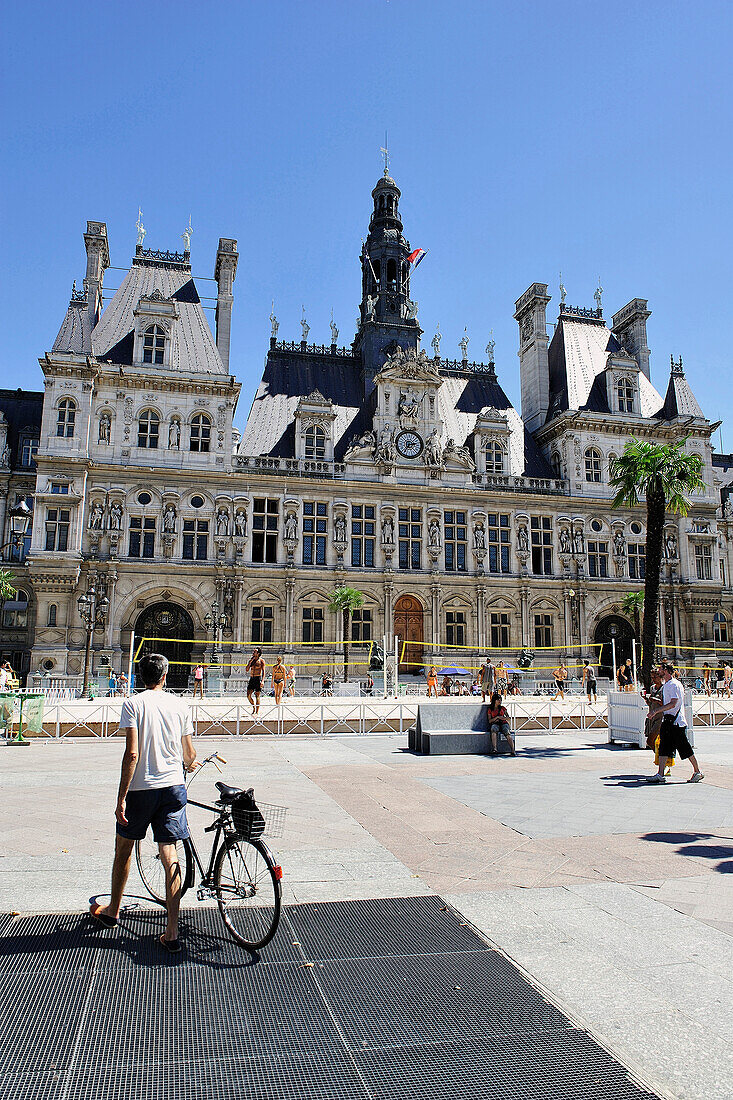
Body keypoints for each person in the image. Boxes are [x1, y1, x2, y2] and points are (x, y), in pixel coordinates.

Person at [89, 653, 198, 953]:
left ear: (139, 676)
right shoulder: (179, 705)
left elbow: (132, 754)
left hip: (141, 788)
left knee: (123, 848)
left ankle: (112, 911)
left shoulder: (133, 704)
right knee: (170, 854)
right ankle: (172, 930)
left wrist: (121, 796)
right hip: (173, 786)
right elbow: (189, 754)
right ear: (165, 676)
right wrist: (188, 764)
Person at [646, 660, 704, 784]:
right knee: (663, 747)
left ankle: (697, 771)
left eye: (660, 669)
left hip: (676, 722)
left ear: (665, 671)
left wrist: (655, 711)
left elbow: (673, 703)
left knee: (685, 748)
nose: (658, 671)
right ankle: (660, 774)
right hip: (668, 720)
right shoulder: (667, 684)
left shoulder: (674, 685)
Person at [246, 648, 266, 714]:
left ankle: (257, 712)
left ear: (258, 653)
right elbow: (247, 669)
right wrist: (250, 662)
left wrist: (262, 681)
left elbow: (263, 671)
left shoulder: (261, 661)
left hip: (258, 678)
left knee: (257, 695)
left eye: (255, 652)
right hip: (252, 678)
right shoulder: (252, 661)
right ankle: (253, 707)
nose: (253, 653)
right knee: (248, 695)